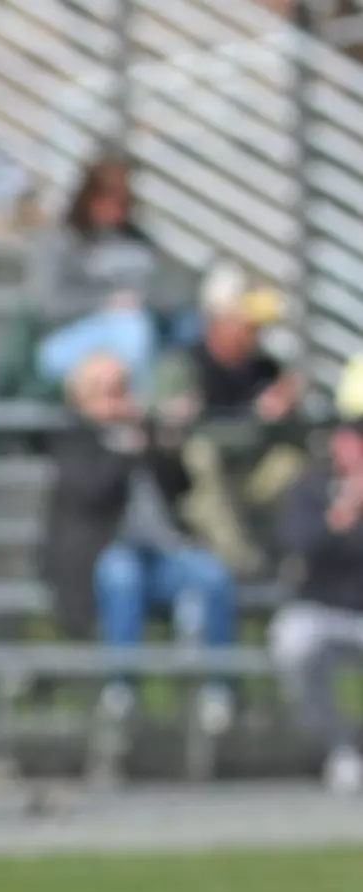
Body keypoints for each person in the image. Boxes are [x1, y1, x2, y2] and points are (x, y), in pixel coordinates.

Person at [42, 354, 237, 734]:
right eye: (109, 392)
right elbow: (92, 493)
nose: (120, 400)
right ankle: (122, 687)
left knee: (212, 576)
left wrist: (165, 442)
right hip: (104, 560)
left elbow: (181, 487)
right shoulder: (75, 440)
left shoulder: (143, 433)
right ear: (84, 400)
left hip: (163, 556)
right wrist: (123, 450)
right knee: (122, 575)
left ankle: (219, 687)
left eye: (123, 389)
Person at [166, 262, 304, 576]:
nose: (257, 334)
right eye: (249, 325)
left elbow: (291, 441)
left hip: (250, 479)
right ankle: (242, 566)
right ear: (220, 322)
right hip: (197, 490)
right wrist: (258, 417)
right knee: (202, 457)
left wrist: (287, 414)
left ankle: (296, 564)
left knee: (291, 462)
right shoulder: (184, 366)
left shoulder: (265, 368)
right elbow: (191, 441)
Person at [30, 157, 198, 401]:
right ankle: (138, 411)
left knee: (191, 325)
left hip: (143, 327)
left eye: (123, 199)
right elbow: (48, 304)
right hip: (67, 341)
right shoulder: (64, 242)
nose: (117, 206)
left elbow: (175, 289)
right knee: (130, 326)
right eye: (109, 197)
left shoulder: (140, 242)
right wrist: (106, 302)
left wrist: (144, 301)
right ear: (90, 197)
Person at [269, 362, 363, 794]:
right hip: (327, 610)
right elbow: (299, 544)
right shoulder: (313, 485)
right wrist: (343, 516)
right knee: (293, 638)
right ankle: (341, 747)